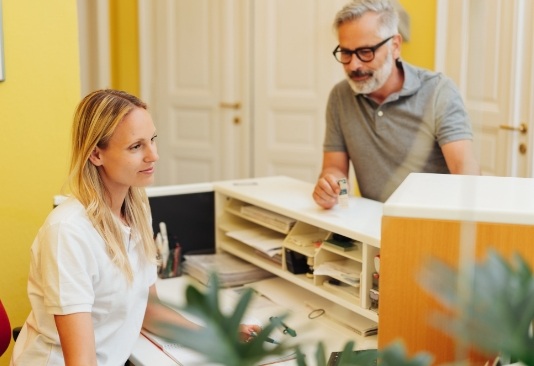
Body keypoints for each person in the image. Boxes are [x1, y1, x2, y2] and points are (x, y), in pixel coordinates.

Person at [10, 89, 260, 366]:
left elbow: (150, 311)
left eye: (152, 140)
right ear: (96, 154)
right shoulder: (68, 233)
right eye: (136, 146)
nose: (153, 155)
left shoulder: (136, 209)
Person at [313, 0, 480, 208]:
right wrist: (331, 186)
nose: (354, 65)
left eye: (365, 52)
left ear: (395, 46)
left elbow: (465, 171)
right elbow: (335, 167)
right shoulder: (340, 96)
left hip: (431, 222)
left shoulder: (439, 91)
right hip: (372, 222)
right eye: (346, 53)